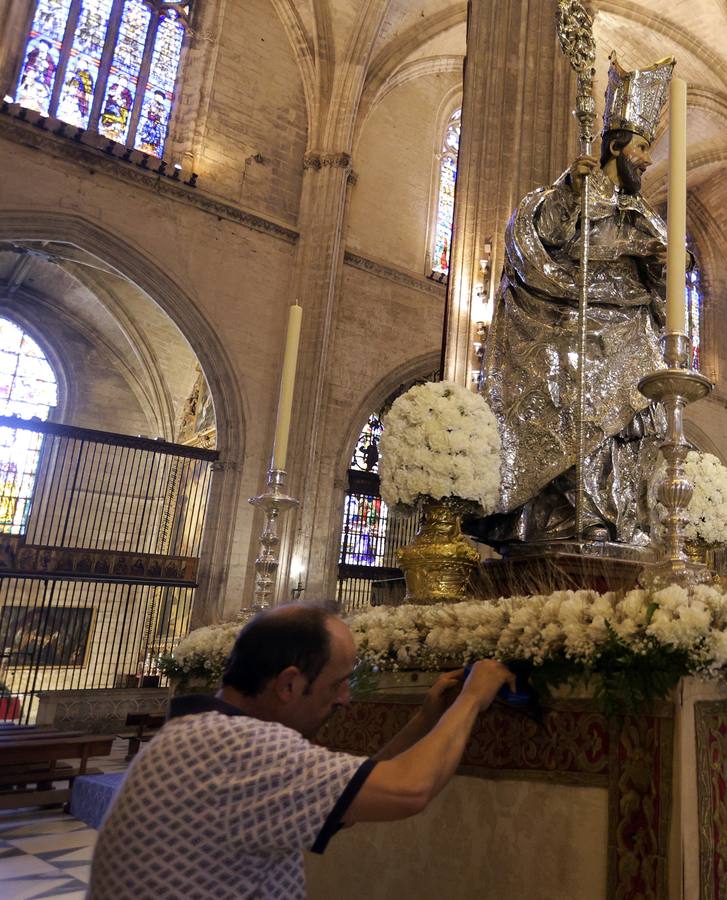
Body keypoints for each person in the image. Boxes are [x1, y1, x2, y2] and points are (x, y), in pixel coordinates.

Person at [88, 604, 514, 899]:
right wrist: (473, 698)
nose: (345, 698)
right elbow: (408, 790)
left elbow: (349, 798)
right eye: (338, 683)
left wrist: (426, 720)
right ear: (289, 685)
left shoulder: (205, 735)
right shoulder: (238, 746)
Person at [474, 55, 677, 547]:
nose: (648, 161)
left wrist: (660, 260)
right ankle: (569, 522)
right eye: (644, 147)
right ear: (615, 145)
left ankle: (617, 522)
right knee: (576, 422)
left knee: (628, 433)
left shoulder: (642, 217)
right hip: (567, 331)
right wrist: (570, 191)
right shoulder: (569, 191)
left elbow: (666, 285)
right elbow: (534, 242)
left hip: (629, 340)